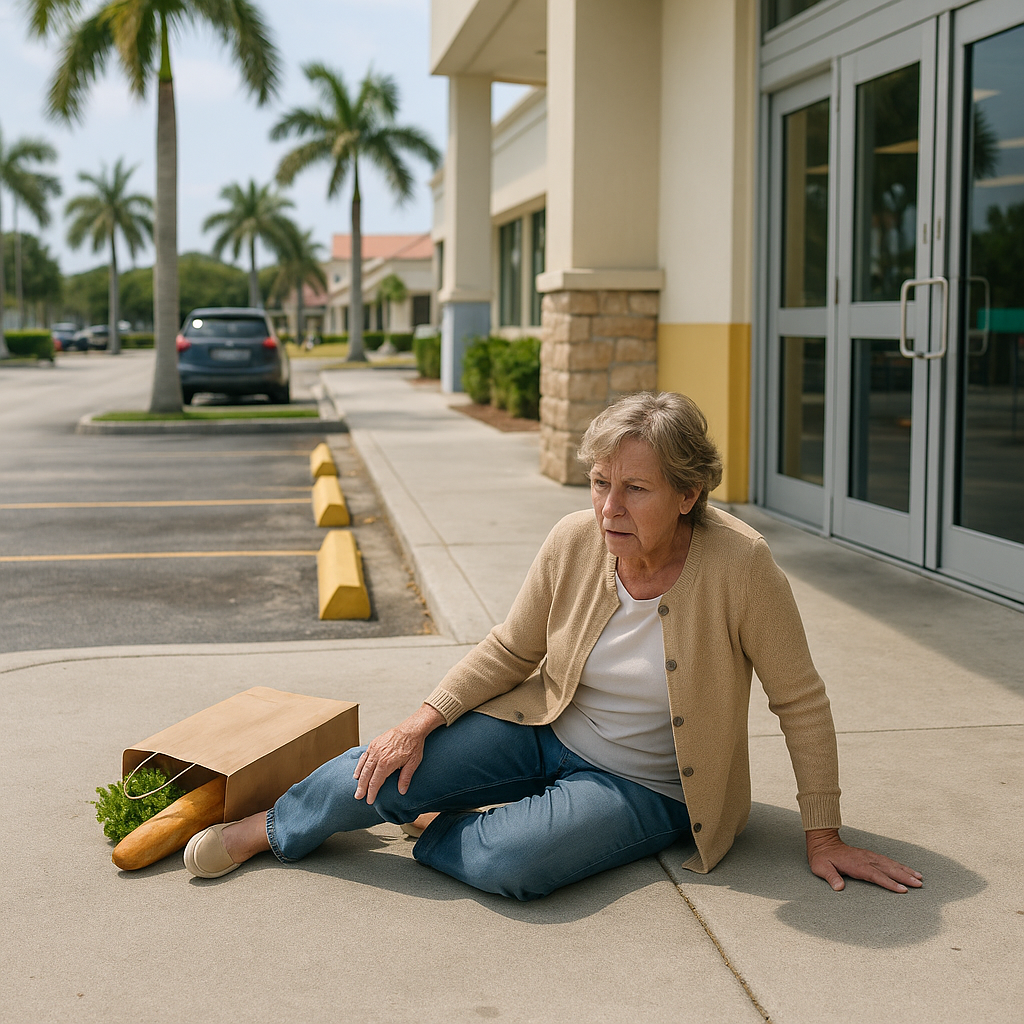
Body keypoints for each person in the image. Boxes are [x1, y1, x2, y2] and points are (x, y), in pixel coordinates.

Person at [184, 391, 923, 899]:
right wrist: (424, 717)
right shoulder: (575, 540)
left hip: (648, 788)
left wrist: (822, 833)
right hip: (542, 731)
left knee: (514, 862)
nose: (608, 508)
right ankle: (267, 830)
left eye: (636, 489)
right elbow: (512, 649)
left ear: (689, 494)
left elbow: (802, 702)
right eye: (601, 482)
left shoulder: (742, 566)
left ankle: (442, 828)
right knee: (390, 761)